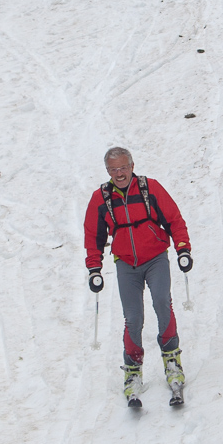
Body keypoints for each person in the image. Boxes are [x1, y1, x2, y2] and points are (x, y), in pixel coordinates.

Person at [84, 146, 193, 408]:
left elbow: (174, 220)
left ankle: (172, 361)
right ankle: (132, 371)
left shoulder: (150, 188)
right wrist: (94, 268)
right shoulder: (101, 198)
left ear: (132, 165)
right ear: (107, 171)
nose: (119, 174)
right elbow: (93, 236)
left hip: (155, 258)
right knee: (133, 317)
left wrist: (183, 249)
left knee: (161, 302)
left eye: (123, 167)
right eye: (113, 169)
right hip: (126, 264)